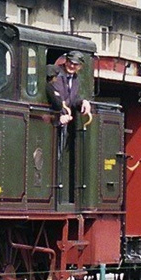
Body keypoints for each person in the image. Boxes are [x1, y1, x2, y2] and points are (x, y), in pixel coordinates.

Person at [48, 51, 92, 202]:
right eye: (70, 62)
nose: (72, 66)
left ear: (80, 66)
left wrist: (82, 102)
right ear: (65, 61)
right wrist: (61, 113)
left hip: (65, 121)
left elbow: (72, 100)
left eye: (76, 64)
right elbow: (54, 96)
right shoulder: (56, 75)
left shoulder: (76, 79)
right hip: (51, 120)